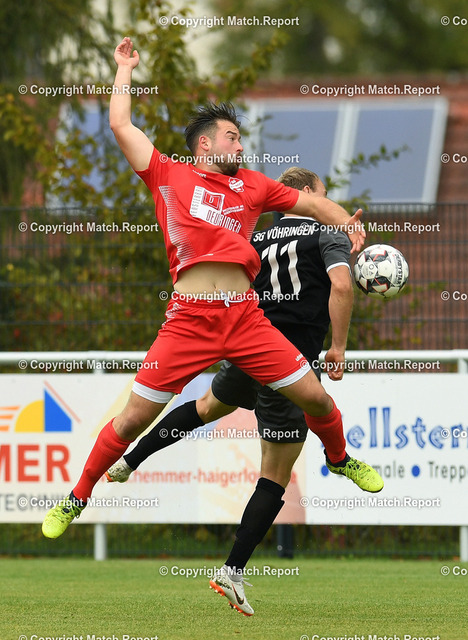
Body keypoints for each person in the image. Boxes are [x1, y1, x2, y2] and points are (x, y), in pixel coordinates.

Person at [42, 37, 366, 553]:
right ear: (205, 145)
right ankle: (77, 496)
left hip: (245, 318)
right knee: (132, 419)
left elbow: (313, 205)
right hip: (189, 320)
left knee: (315, 398)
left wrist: (345, 224)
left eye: (241, 139)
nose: (241, 147)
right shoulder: (167, 174)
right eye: (232, 138)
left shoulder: (253, 186)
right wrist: (124, 68)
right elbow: (121, 125)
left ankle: (340, 458)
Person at [105, 167, 383, 615]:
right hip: (287, 364)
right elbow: (341, 284)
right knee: (275, 474)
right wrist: (338, 347)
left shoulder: (255, 237)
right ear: (306, 193)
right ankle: (232, 571)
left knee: (206, 406)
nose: (327, 202)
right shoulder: (326, 234)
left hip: (246, 345)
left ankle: (129, 460)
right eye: (323, 194)